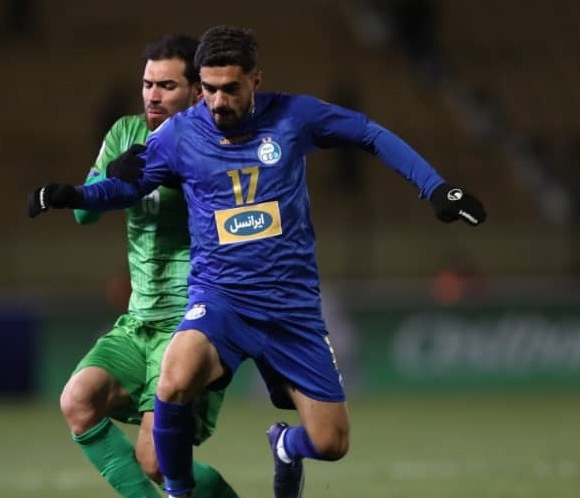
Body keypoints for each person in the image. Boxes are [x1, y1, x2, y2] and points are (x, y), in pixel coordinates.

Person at [28, 25, 487, 498]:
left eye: (230, 89)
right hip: (220, 300)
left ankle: (287, 447)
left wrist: (436, 187)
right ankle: (180, 494)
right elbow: (127, 188)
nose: (218, 102)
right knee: (175, 377)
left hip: (291, 308)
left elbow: (368, 133)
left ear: (255, 80)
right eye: (209, 90)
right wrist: (75, 195)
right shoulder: (182, 134)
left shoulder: (293, 117)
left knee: (331, 442)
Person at [47, 33, 238, 498]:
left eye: (167, 86)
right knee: (78, 400)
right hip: (139, 320)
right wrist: (111, 173)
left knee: (156, 461)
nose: (153, 95)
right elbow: (85, 215)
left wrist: (158, 172)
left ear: (197, 92)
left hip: (190, 322)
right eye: (148, 84)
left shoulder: (217, 143)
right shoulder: (125, 133)